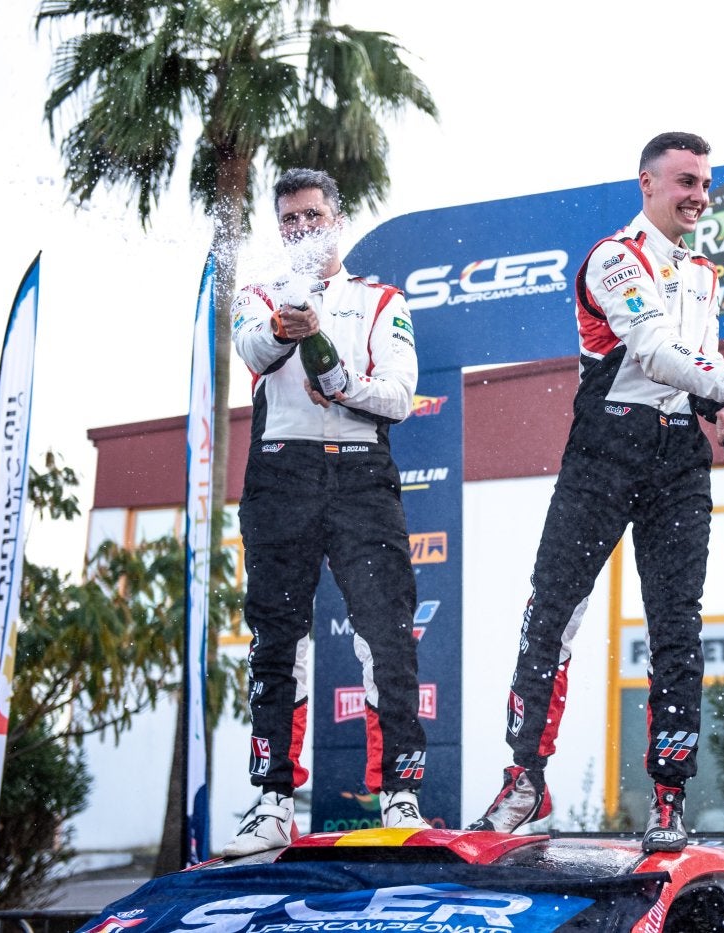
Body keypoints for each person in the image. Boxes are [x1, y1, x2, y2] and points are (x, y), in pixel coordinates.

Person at [467, 132, 724, 851]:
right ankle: (525, 780)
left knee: (677, 625)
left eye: (705, 183)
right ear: (647, 184)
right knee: (553, 610)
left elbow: (713, 403)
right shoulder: (614, 257)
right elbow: (651, 350)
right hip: (604, 449)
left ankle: (668, 798)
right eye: (684, 181)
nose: (698, 195)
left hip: (677, 458)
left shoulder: (706, 277)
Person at [222, 167, 429, 857]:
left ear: (336, 218)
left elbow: (398, 397)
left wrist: (337, 373)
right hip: (281, 472)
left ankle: (399, 791)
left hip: (361, 471)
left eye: (313, 215)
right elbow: (253, 348)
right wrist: (289, 326)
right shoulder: (259, 294)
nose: (302, 228)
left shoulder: (380, 299)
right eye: (289, 220)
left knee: (389, 633)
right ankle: (274, 799)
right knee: (277, 639)